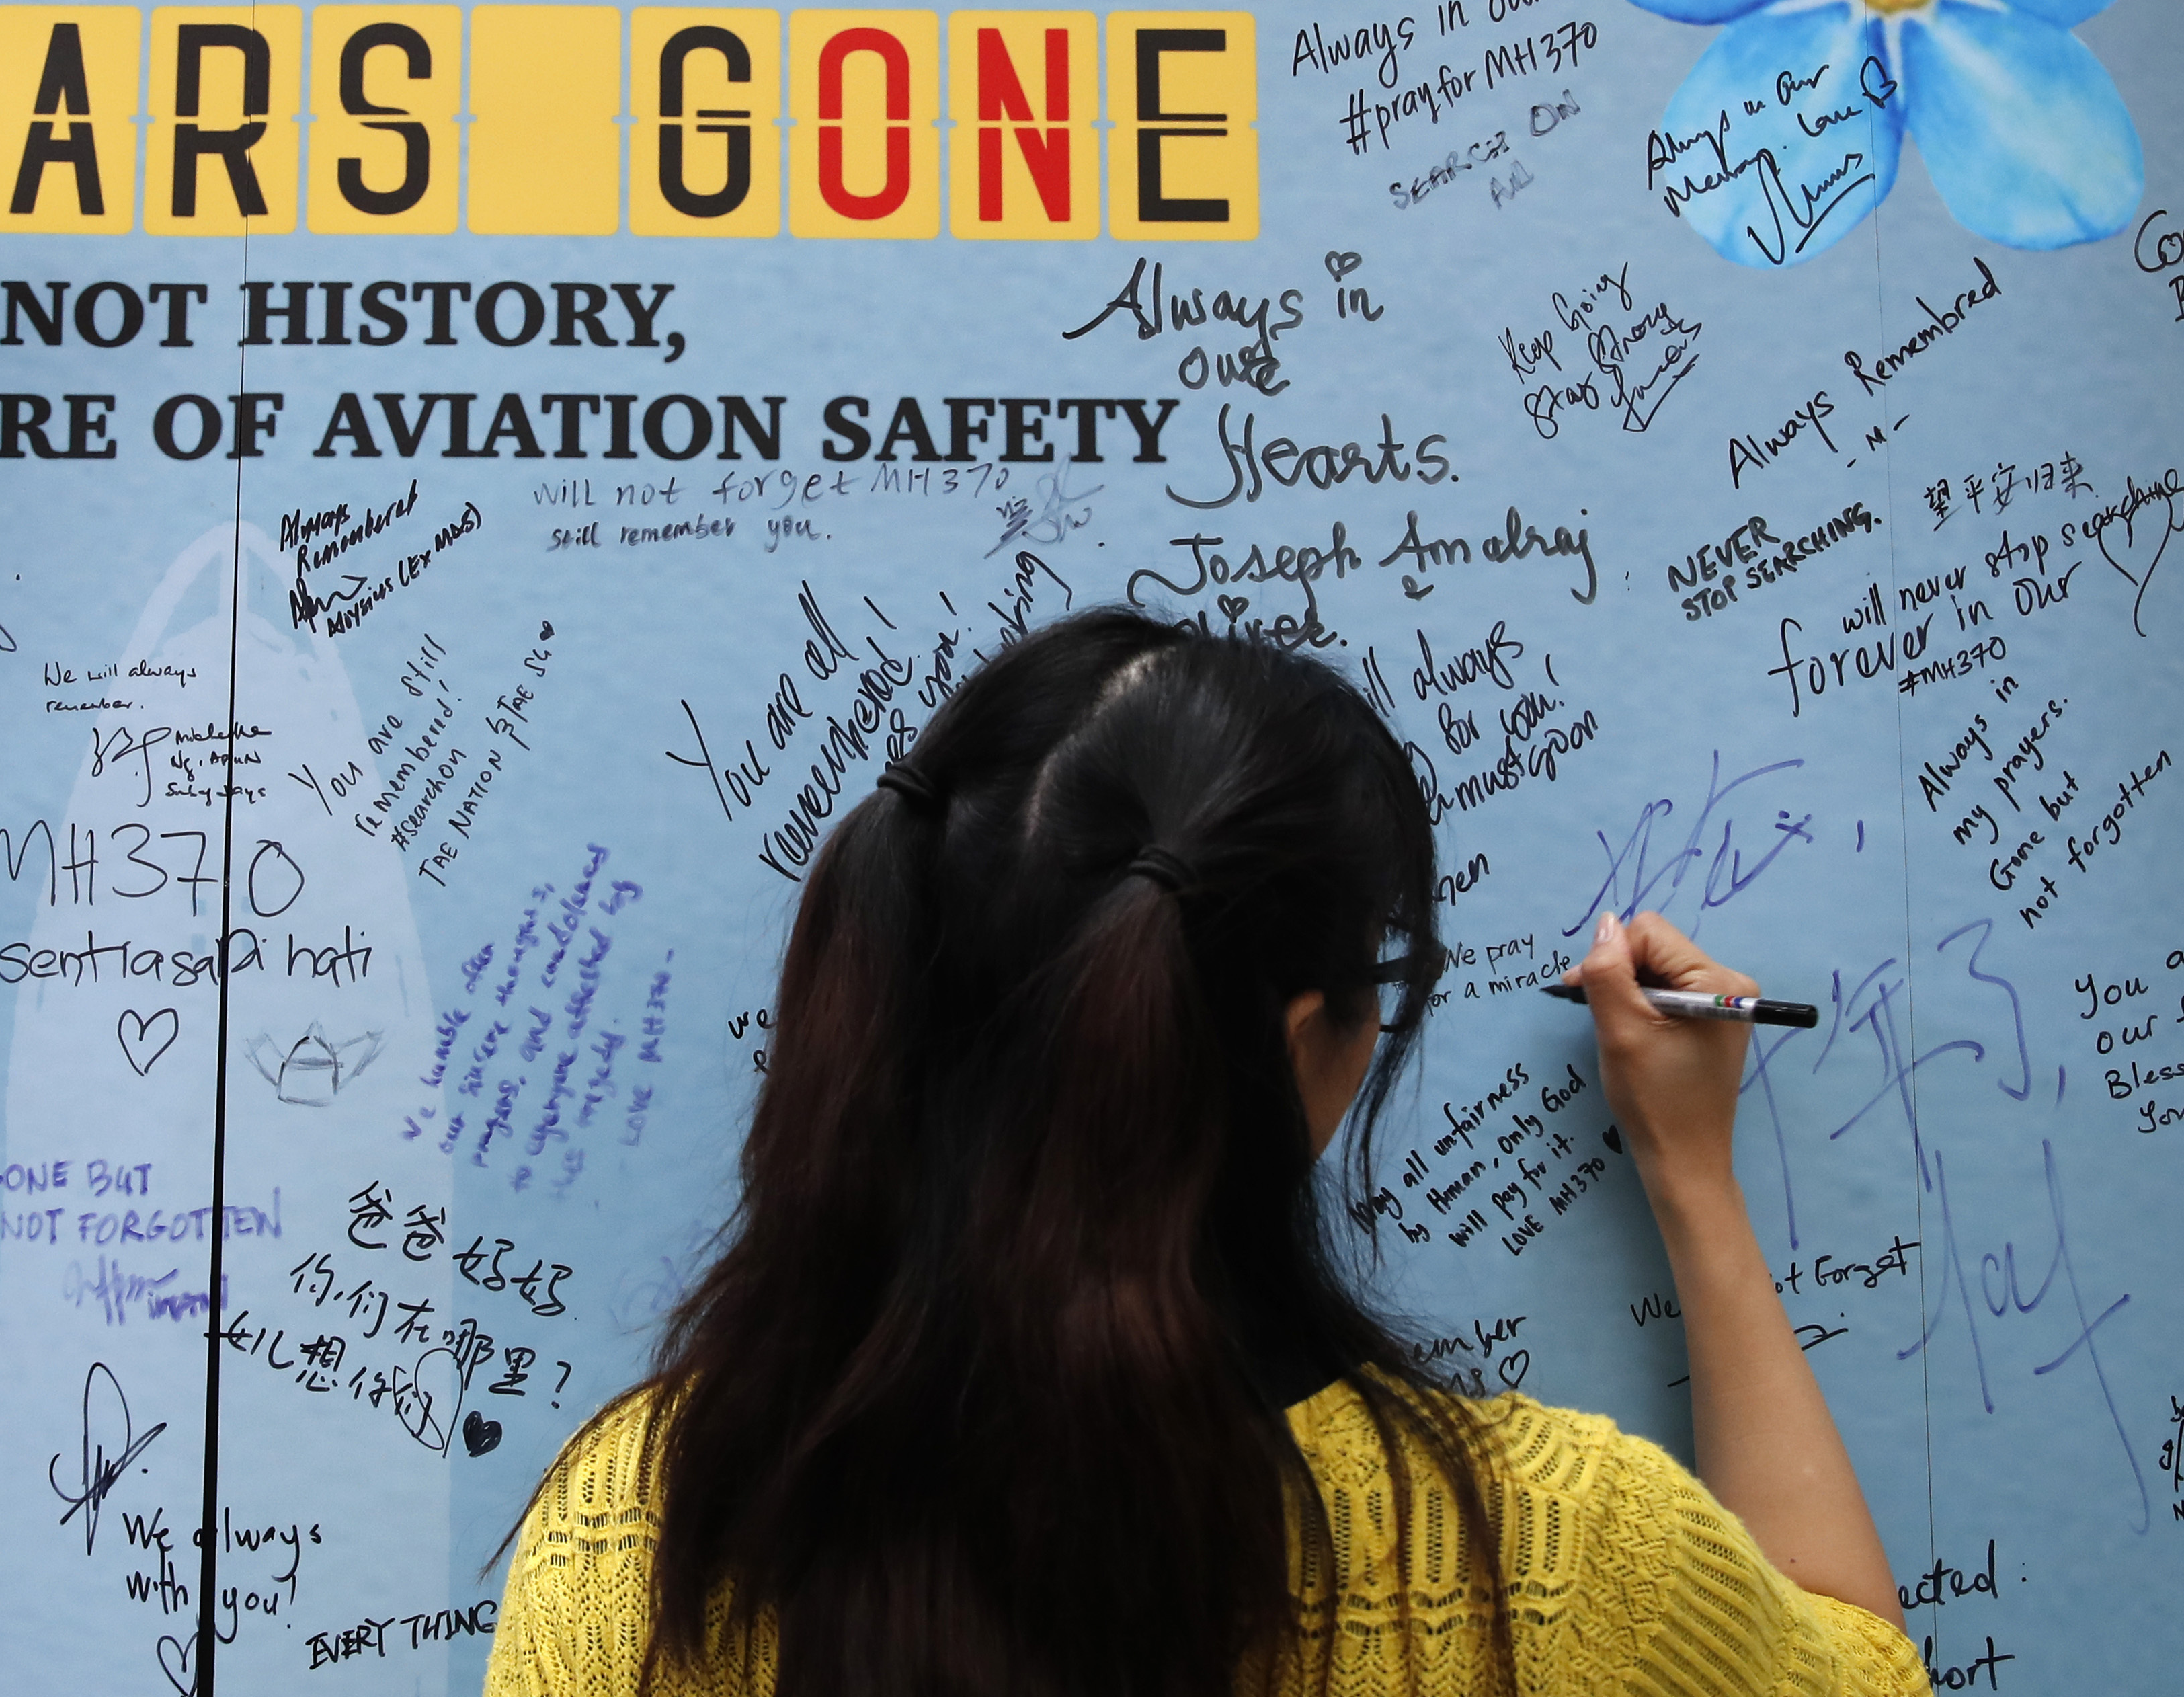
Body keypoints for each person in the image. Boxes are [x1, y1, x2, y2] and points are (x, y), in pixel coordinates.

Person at [487, 610, 1921, 1697]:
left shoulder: (629, 1537)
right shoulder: (1536, 1563)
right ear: (1309, 1038)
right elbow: (1863, 1669)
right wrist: (1693, 1180)